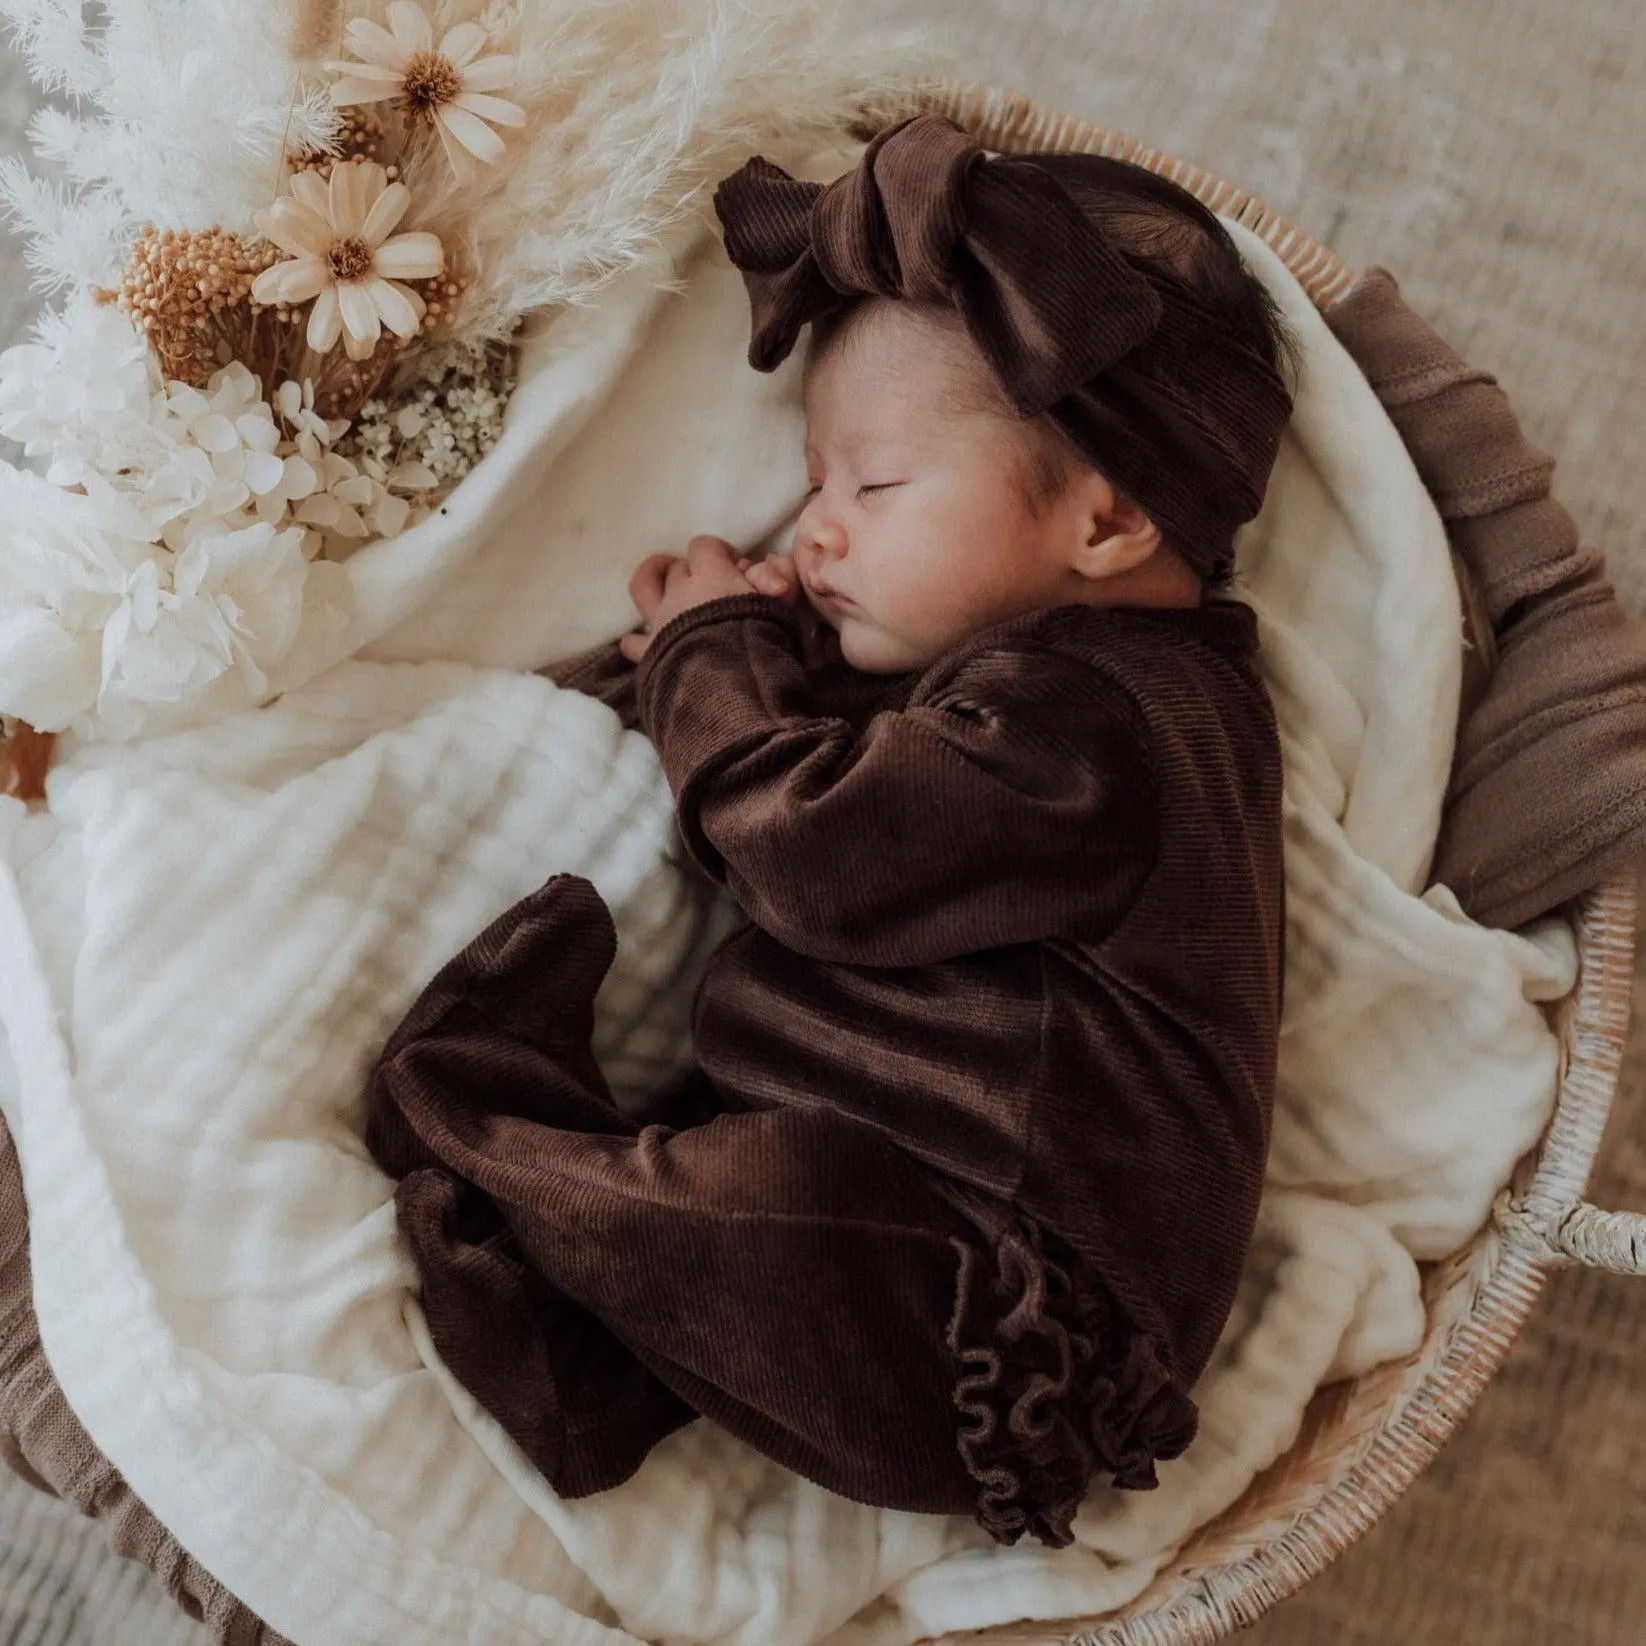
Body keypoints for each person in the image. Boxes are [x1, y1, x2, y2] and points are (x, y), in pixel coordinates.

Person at [364, 113, 1294, 1550]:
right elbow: (887, 799)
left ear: (1105, 525)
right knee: (738, 1184)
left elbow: (813, 849)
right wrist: (721, 657)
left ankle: (474, 1124)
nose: (816, 526)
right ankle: (584, 1372)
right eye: (814, 480)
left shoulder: (1115, 722)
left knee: (758, 1198)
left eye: (872, 484)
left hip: (991, 1300)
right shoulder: (1026, 690)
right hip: (879, 1227)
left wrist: (714, 655)